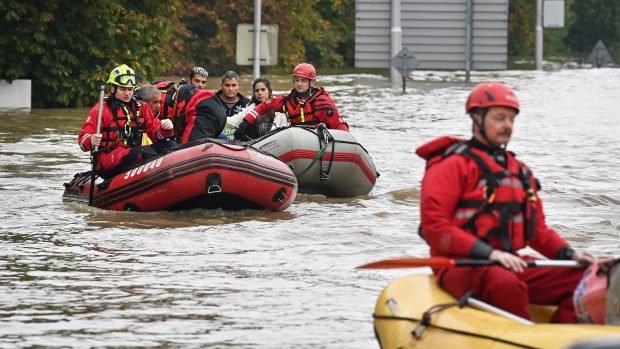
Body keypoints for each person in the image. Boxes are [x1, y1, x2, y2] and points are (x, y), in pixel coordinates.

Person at [416, 81, 595, 323]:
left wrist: (570, 253)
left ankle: (564, 337)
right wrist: (490, 254)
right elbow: (435, 228)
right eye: (500, 118)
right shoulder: (451, 165)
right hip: (461, 265)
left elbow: (537, 232)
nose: (507, 126)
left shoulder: (519, 171)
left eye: (511, 119)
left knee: (590, 280)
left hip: (508, 261)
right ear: (477, 118)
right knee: (505, 282)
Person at [78, 64, 175, 179]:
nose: (127, 93)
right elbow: (82, 139)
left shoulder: (142, 107)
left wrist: (165, 128)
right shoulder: (101, 109)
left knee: (169, 145)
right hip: (108, 160)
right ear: (113, 88)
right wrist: (91, 140)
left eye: (130, 89)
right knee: (140, 152)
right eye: (123, 89)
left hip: (132, 153)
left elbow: (155, 133)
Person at [234, 63, 348, 140]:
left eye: (303, 81)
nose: (299, 84)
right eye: (297, 80)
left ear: (312, 82)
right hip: (296, 143)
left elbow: (339, 125)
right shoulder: (287, 100)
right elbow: (263, 106)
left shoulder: (321, 101)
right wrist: (245, 123)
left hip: (317, 143)